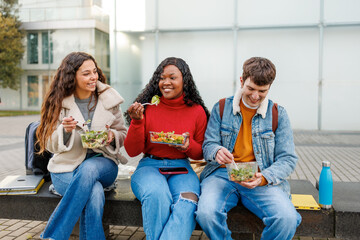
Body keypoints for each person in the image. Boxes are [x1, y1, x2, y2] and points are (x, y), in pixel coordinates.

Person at [196, 57, 301, 240]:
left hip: (260, 177)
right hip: (222, 175)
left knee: (287, 218)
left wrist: (265, 177)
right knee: (206, 214)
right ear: (242, 81)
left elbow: (288, 159)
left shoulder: (278, 114)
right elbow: (208, 145)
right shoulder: (221, 107)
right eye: (251, 89)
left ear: (269, 87)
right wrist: (216, 151)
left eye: (262, 91)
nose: (255, 96)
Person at [37, 52, 127, 240]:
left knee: (88, 168)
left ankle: (53, 235)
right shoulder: (59, 102)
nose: (93, 77)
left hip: (103, 164)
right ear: (72, 76)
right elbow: (48, 143)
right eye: (86, 73)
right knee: (93, 192)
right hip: (66, 167)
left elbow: (123, 133)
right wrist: (65, 131)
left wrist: (112, 135)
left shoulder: (109, 99)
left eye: (94, 71)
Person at [124, 57, 210, 240]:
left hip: (182, 167)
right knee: (157, 195)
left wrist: (188, 146)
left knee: (188, 201)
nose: (166, 82)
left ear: (184, 81)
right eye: (162, 78)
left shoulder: (197, 111)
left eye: (172, 77)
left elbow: (201, 152)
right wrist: (137, 122)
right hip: (149, 166)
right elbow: (132, 151)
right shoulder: (147, 107)